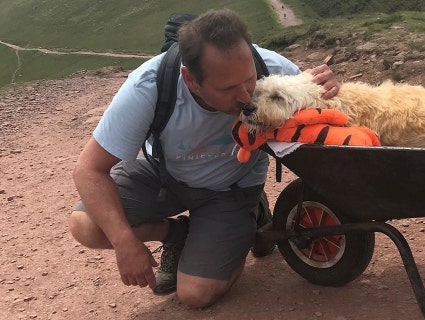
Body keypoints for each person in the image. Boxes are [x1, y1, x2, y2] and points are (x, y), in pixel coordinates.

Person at [68, 9, 340, 308]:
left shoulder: (272, 66)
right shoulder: (149, 85)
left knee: (196, 295)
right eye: (227, 88)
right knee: (87, 226)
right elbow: (89, 170)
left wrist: (328, 90)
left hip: (231, 189)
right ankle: (178, 234)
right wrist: (123, 241)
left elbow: (325, 116)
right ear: (191, 79)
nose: (245, 97)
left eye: (250, 80)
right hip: (165, 178)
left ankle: (250, 215)